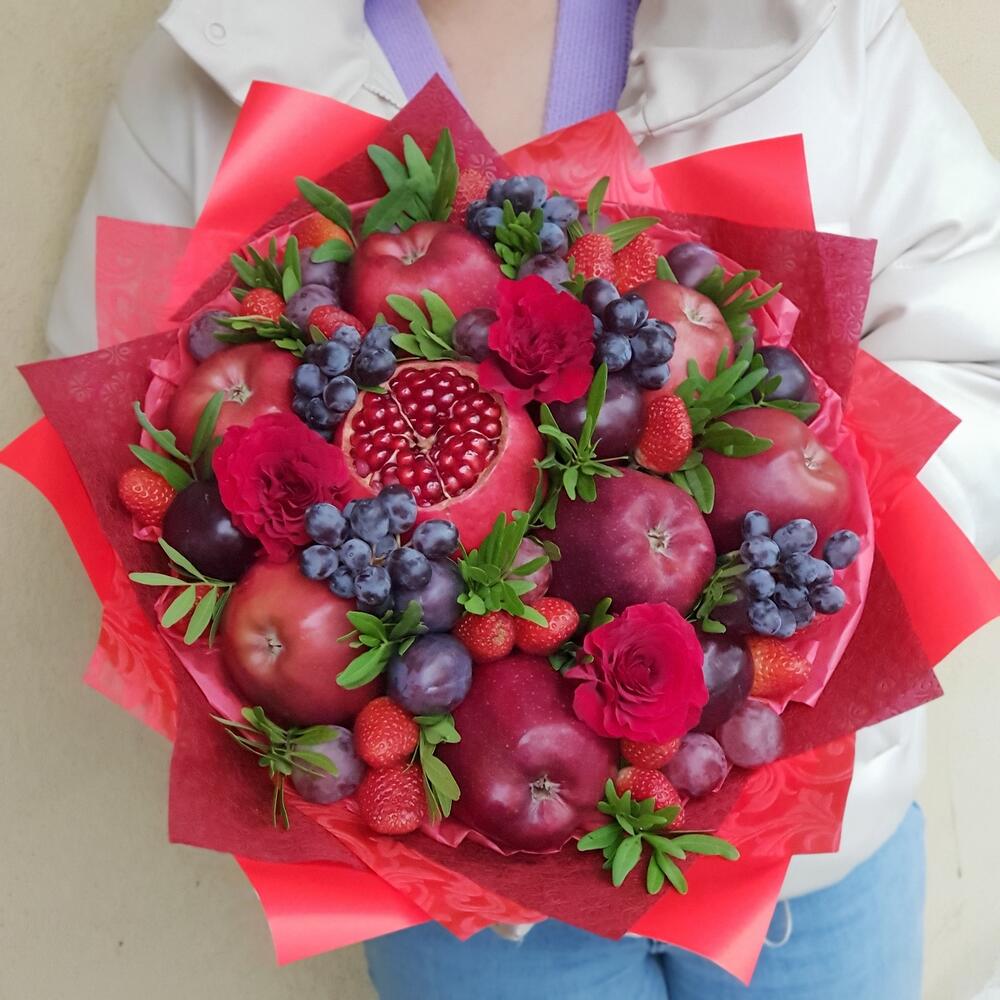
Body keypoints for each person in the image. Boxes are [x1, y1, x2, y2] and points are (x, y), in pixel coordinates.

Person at [47, 1, 1000, 997]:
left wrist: (818, 607)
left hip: (810, 860)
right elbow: (121, 449)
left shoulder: (813, 22)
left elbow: (972, 346)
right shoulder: (218, 55)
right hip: (466, 914)